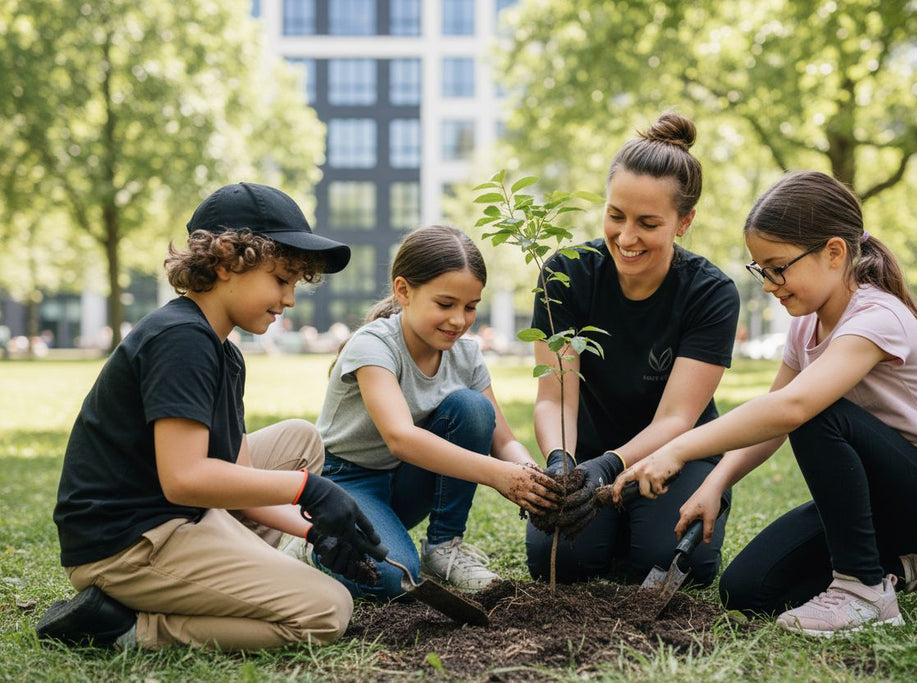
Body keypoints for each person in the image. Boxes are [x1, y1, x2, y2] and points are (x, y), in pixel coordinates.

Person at [613, 170, 917, 637]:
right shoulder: (805, 324)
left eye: (778, 267)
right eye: (761, 270)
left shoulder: (876, 318)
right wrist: (715, 481)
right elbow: (773, 418)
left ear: (834, 253)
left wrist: (676, 450)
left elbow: (791, 410)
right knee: (747, 591)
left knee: (818, 412)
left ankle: (862, 590)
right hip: (875, 503)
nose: (769, 284)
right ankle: (912, 566)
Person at [36, 182, 384, 650]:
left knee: (301, 440)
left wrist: (314, 532)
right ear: (226, 262)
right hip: (127, 544)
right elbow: (184, 478)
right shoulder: (180, 339)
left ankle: (224, 581)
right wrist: (308, 489)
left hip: (181, 516)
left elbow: (238, 481)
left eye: (296, 284)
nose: (290, 300)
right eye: (281, 279)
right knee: (327, 611)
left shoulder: (223, 351)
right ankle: (126, 627)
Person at [525, 112, 740, 586]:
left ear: (684, 223)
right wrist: (561, 460)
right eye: (615, 215)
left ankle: (643, 522)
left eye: (648, 223)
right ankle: (617, 523)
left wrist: (610, 467)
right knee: (557, 563)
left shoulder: (710, 293)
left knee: (677, 564)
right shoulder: (565, 274)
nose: (626, 238)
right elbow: (554, 396)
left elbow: (676, 419)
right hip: (588, 453)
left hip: (674, 452)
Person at [309, 224, 559, 600]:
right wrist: (499, 476)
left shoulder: (466, 354)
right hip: (346, 482)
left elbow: (503, 439)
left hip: (407, 485)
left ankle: (444, 547)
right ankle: (314, 544)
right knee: (396, 578)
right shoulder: (373, 345)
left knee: (472, 408)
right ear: (403, 291)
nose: (459, 320)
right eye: (445, 305)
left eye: (471, 307)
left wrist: (532, 477)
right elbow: (401, 439)